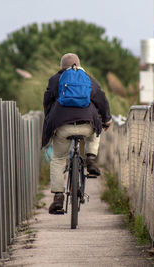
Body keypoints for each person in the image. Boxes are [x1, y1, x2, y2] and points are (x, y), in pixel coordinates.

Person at [42, 53, 112, 214]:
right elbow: (102, 100)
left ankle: (58, 197)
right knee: (96, 130)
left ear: (61, 67)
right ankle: (91, 158)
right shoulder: (88, 78)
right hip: (86, 124)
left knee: (59, 158)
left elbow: (47, 102)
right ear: (79, 65)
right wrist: (106, 120)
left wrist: (49, 121)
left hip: (62, 126)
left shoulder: (55, 80)